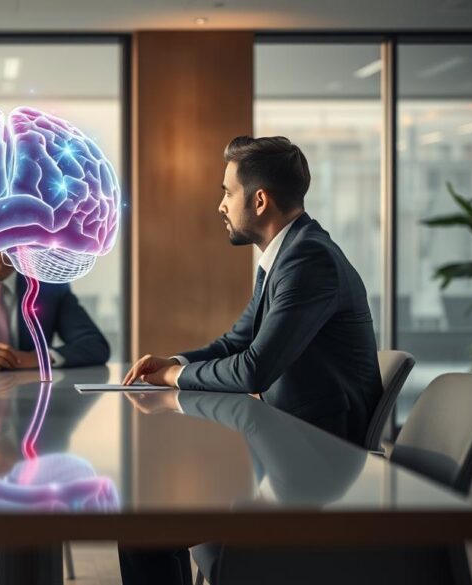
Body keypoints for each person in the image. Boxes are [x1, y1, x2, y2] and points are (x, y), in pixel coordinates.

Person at [118, 135, 383, 585]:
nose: (221, 205)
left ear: (259, 200)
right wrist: (172, 361)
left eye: (227, 192)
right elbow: (235, 342)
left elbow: (253, 368)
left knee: (143, 528)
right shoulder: (285, 257)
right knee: (153, 513)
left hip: (316, 474)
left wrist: (174, 376)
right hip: (286, 454)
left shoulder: (309, 259)